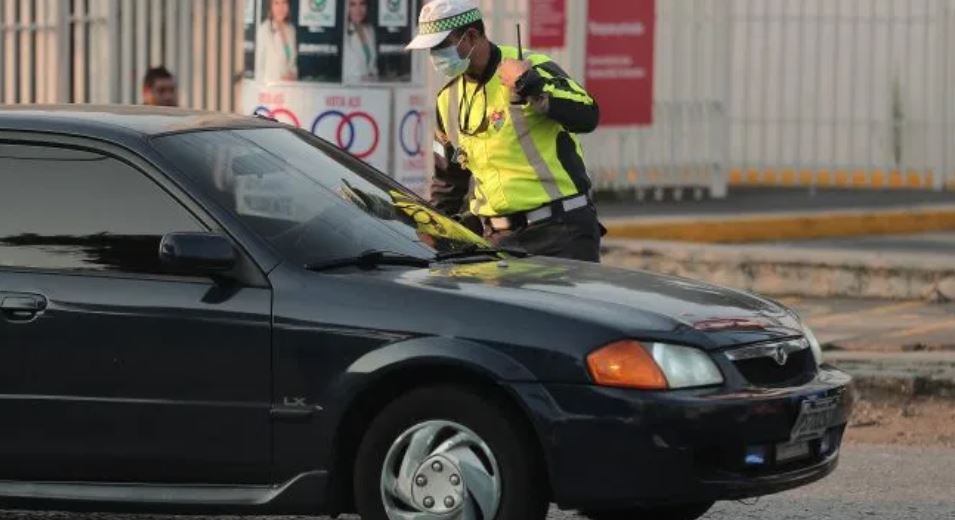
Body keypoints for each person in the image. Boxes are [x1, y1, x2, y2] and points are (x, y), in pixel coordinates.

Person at [405, 0, 604, 262]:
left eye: (441, 46)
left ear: (472, 36)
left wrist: (530, 85)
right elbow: (448, 180)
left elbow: (587, 114)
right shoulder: (447, 99)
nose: (435, 57)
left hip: (561, 232)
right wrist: (437, 226)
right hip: (499, 241)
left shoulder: (531, 66)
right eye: (431, 50)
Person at [256, 0, 298, 82]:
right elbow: (260, 67)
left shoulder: (291, 30)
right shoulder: (264, 29)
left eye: (284, 3)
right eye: (276, 3)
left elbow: (292, 62)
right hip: (270, 90)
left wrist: (293, 75)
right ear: (271, 7)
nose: (281, 8)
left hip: (289, 88)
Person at [343, 0, 379, 83]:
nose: (358, 9)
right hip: (349, 89)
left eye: (362, 4)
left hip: (369, 87)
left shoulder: (369, 30)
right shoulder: (343, 32)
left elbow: (372, 66)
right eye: (353, 4)